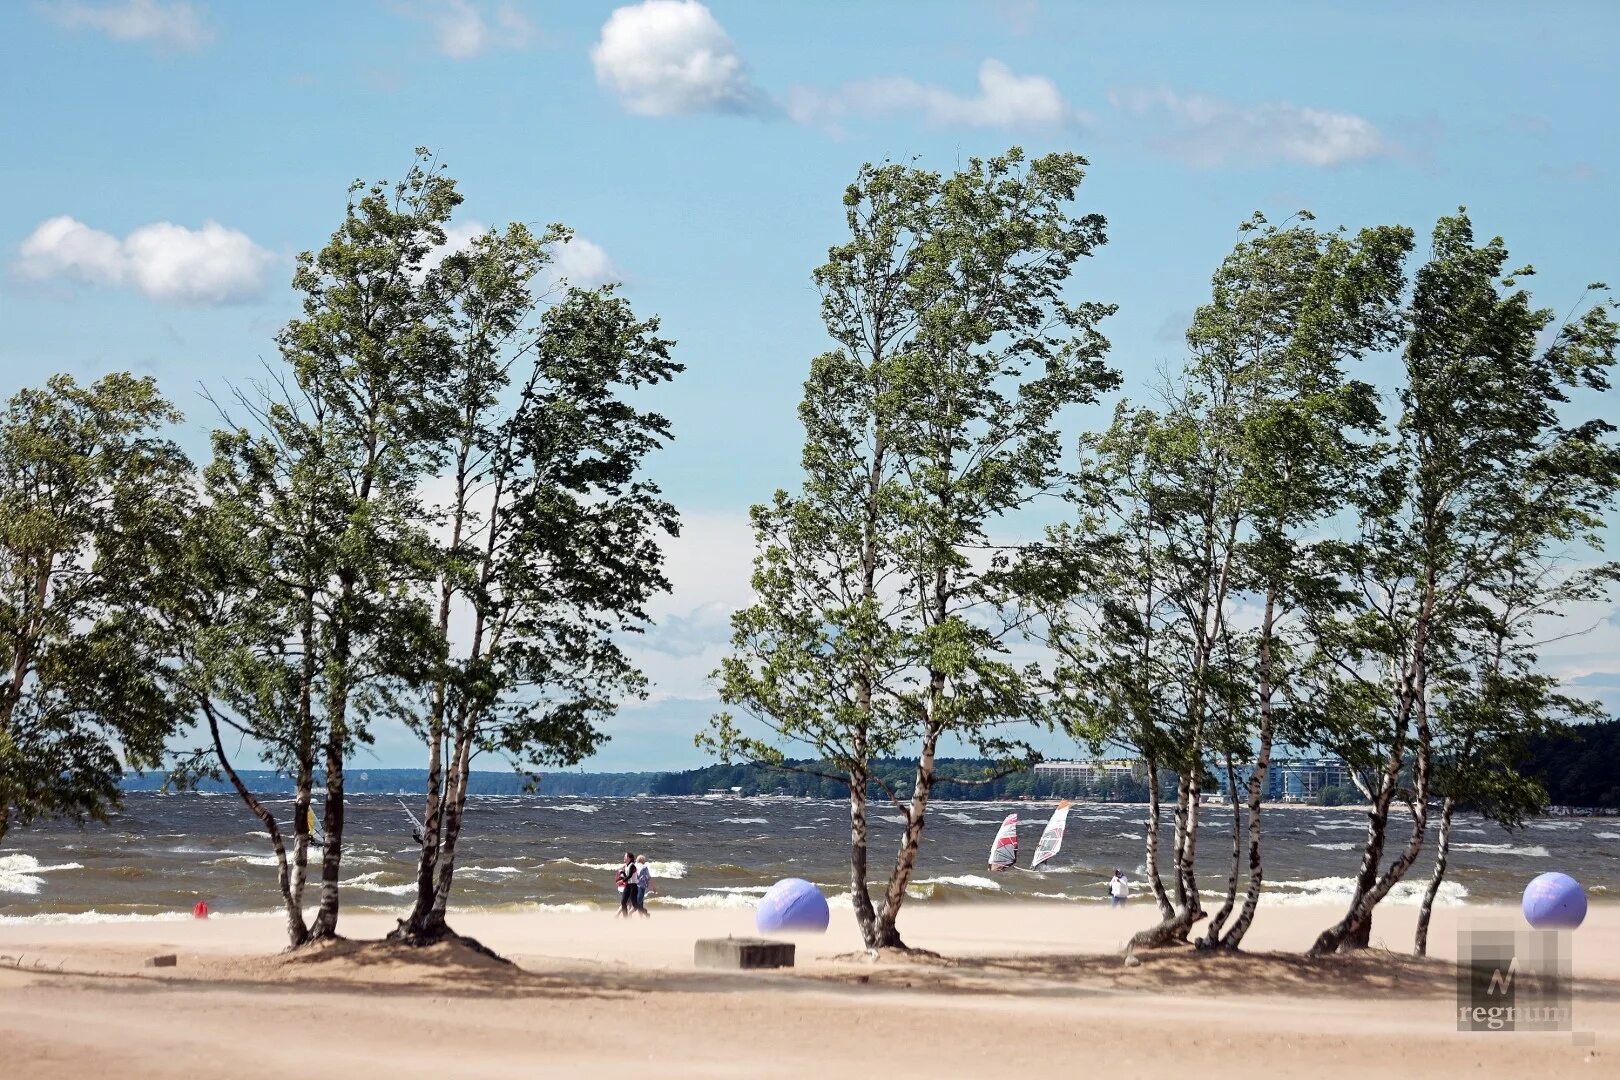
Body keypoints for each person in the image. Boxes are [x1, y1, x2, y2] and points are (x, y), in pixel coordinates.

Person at [616, 851, 639, 917]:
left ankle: (638, 907)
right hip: (628, 886)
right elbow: (626, 876)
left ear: (629, 858)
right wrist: (621, 872)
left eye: (625, 856)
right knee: (623, 902)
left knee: (634, 904)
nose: (624, 857)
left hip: (633, 886)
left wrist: (621, 881)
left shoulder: (632, 866)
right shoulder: (626, 866)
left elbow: (629, 876)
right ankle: (626, 918)